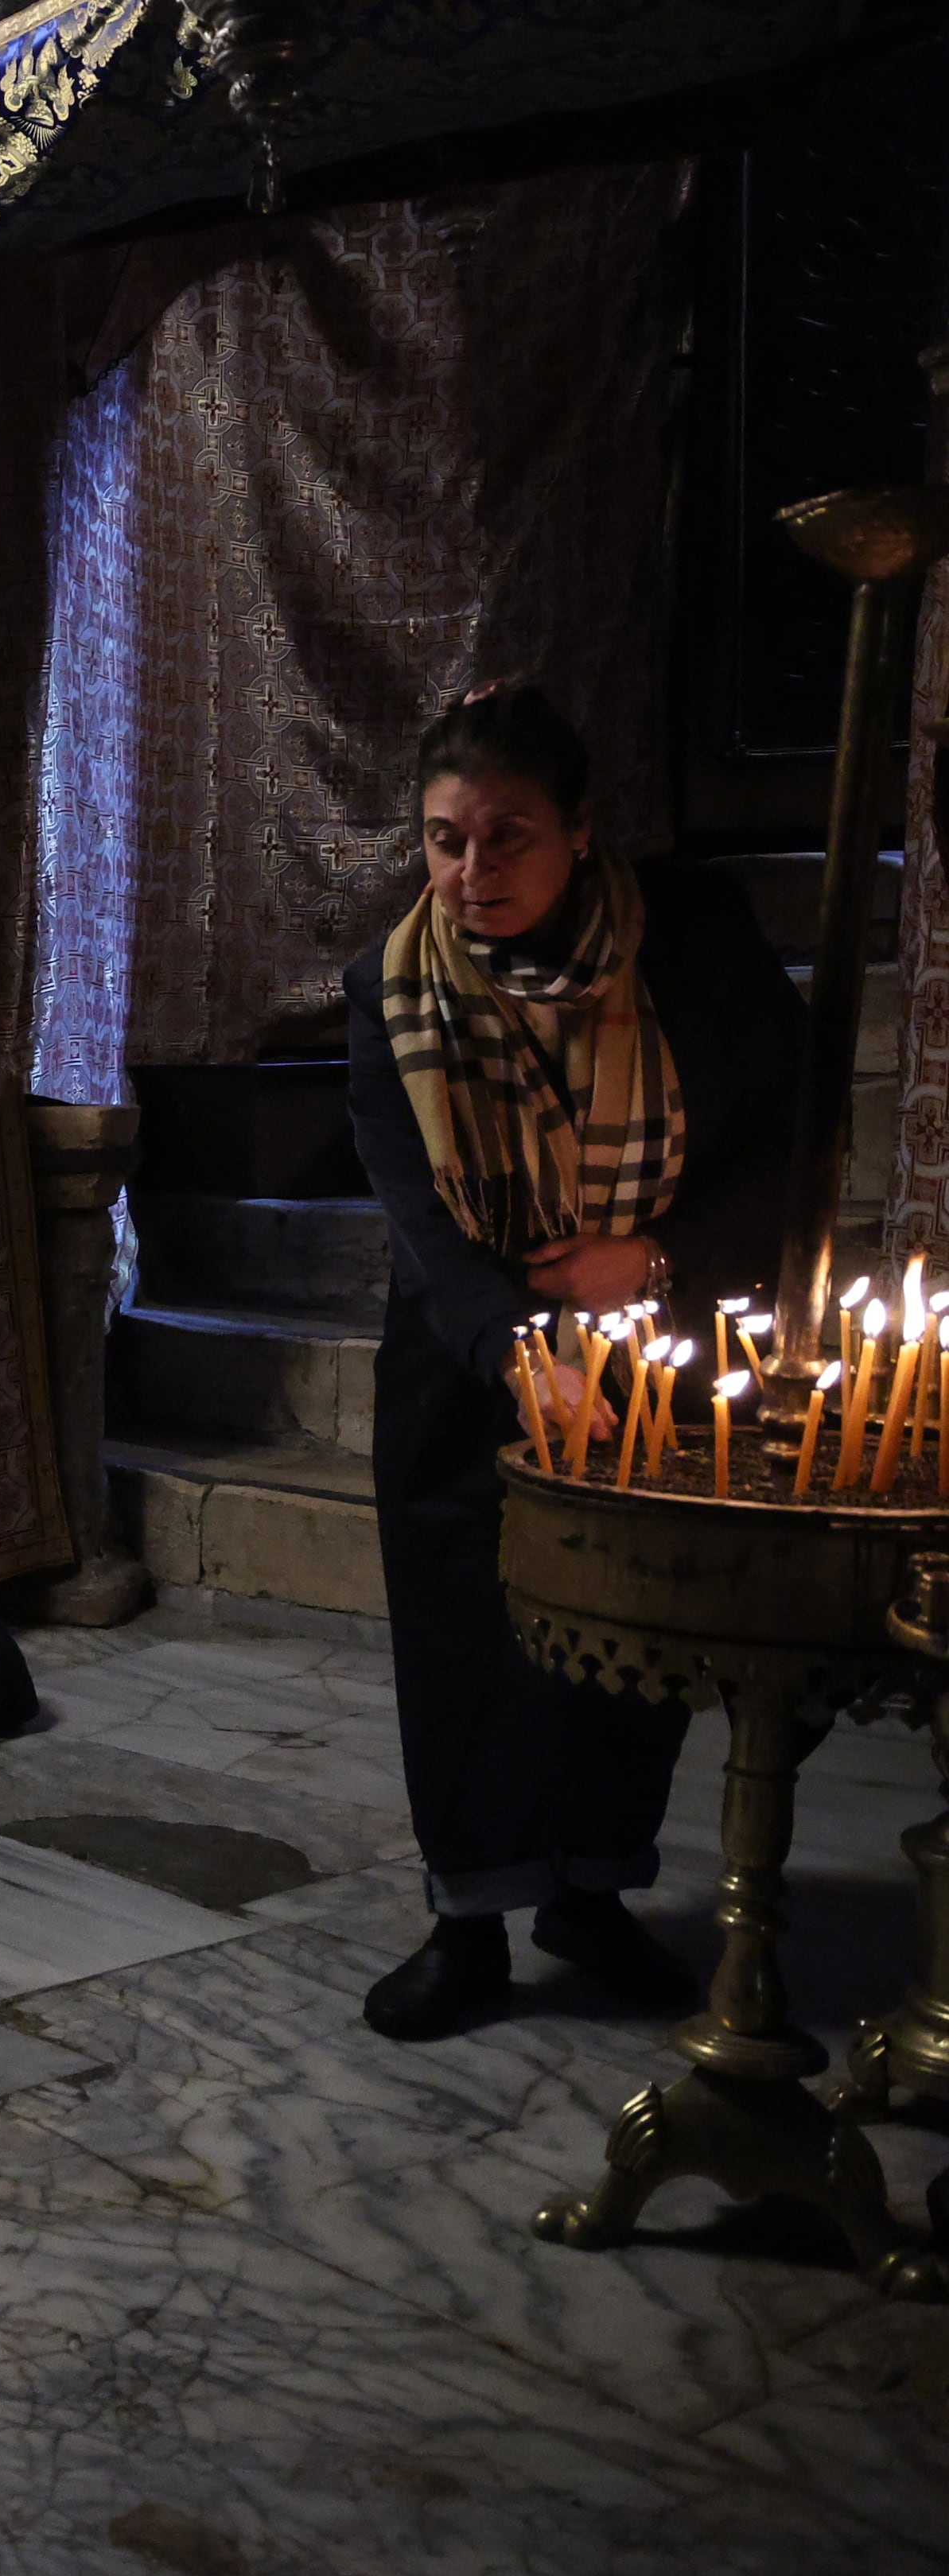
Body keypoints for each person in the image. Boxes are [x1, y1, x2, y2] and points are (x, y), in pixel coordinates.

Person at [342, 682, 808, 2040]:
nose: (472, 872)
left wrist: (645, 1261)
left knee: (630, 1633)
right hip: (463, 1353)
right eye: (444, 839)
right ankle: (467, 1917)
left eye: (509, 836)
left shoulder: (691, 942)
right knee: (466, 1637)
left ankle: (593, 1892)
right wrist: (511, 1343)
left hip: (654, 1334)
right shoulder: (391, 987)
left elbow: (785, 1142)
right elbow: (418, 1214)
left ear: (583, 832)